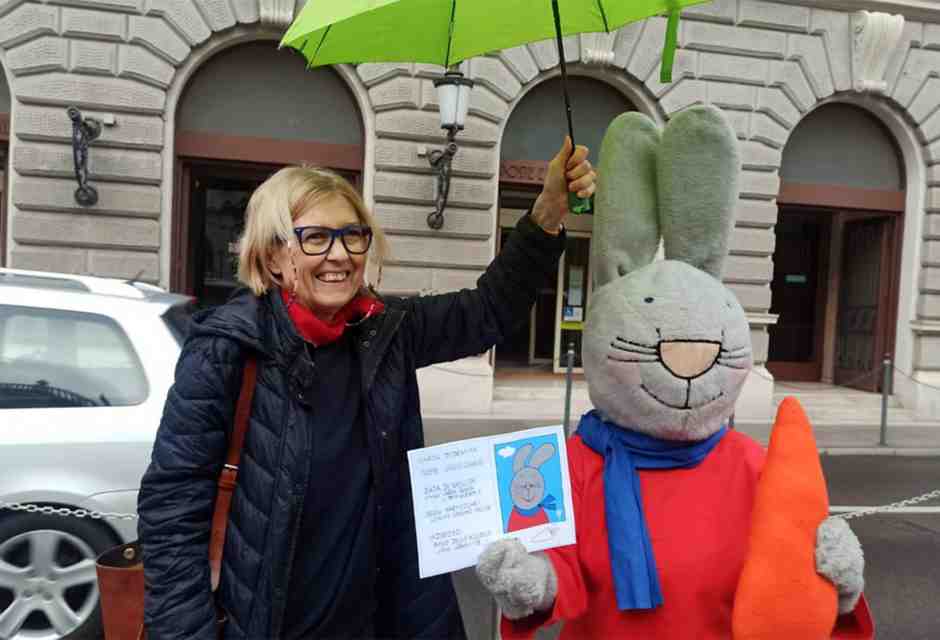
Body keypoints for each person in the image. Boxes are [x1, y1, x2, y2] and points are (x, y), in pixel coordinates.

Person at [137, 137, 596, 640]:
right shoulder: (227, 348)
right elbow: (173, 512)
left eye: (352, 236)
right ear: (272, 257)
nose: (339, 255)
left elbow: (487, 310)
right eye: (315, 238)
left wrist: (548, 211)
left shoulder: (387, 330)